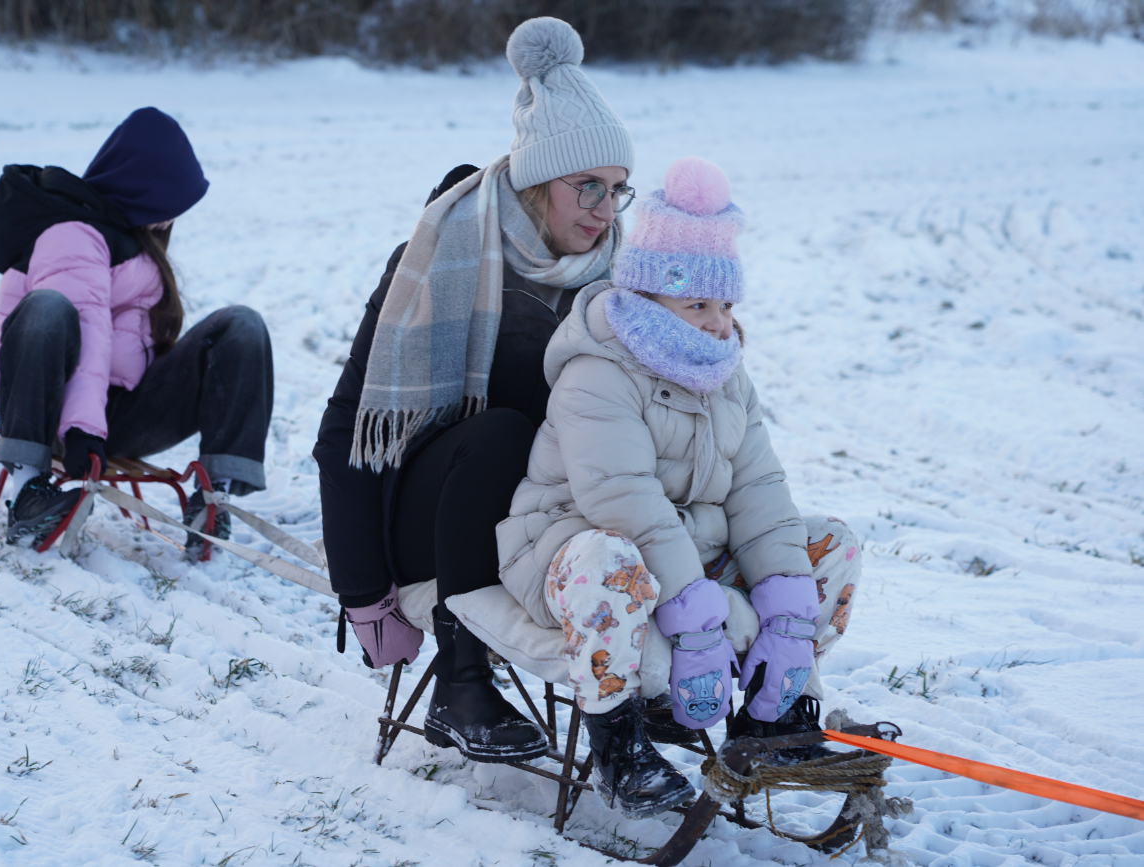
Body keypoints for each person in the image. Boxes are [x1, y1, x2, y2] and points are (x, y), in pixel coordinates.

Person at [494, 157, 863, 818]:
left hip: (685, 552)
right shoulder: (599, 371)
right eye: (698, 304)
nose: (720, 322)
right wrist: (693, 620)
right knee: (611, 557)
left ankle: (770, 716)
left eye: (725, 304)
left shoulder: (723, 369)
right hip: (577, 548)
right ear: (649, 298)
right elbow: (623, 502)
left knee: (831, 541)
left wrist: (784, 616)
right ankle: (621, 746)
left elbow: (759, 488)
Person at [314, 17, 638, 764]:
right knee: (500, 431)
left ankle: (635, 697)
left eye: (617, 189)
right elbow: (347, 432)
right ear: (535, 182)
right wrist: (364, 597)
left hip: (541, 510)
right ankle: (460, 686)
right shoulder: (440, 259)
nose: (603, 207)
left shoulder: (612, 285)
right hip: (428, 516)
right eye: (586, 184)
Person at [0, 107, 274, 555]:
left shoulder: (131, 241)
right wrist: (81, 430)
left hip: (116, 413)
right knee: (49, 309)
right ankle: (28, 492)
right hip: (46, 409)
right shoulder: (74, 233)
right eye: (166, 204)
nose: (168, 221)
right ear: (141, 189)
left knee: (241, 327)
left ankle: (216, 494)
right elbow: (89, 328)